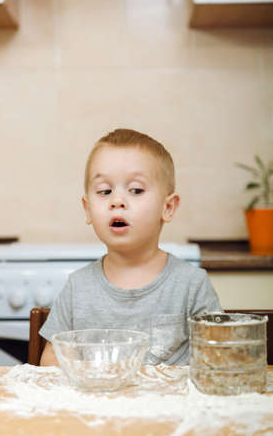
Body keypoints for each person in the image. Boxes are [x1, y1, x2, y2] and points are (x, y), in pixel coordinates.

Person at [39, 128, 222, 366]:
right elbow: (52, 360)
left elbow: (220, 358)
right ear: (87, 209)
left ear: (168, 208)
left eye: (136, 190)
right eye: (105, 191)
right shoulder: (77, 288)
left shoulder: (192, 286)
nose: (117, 201)